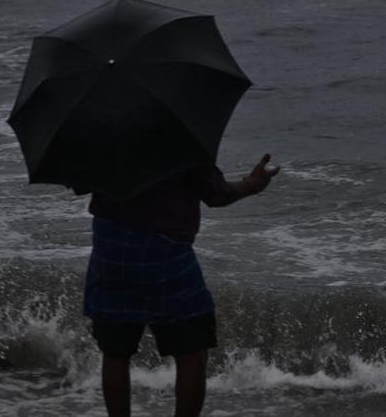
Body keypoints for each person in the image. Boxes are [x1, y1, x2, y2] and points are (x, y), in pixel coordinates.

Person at [83, 154, 279, 417]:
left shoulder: (102, 140)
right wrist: (253, 184)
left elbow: (82, 180)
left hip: (111, 250)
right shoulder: (180, 144)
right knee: (191, 349)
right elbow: (217, 194)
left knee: (115, 351)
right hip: (164, 252)